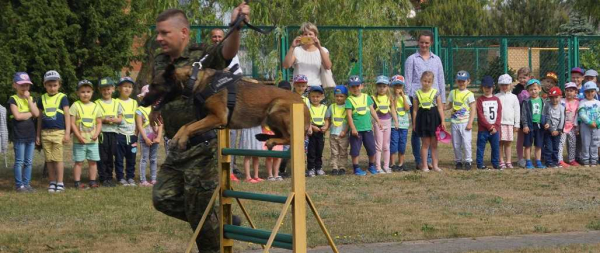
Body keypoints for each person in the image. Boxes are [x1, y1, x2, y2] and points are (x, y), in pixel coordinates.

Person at [151, 5, 249, 251]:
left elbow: (227, 51)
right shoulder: (159, 59)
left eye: (164, 33)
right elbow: (166, 88)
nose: (158, 38)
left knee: (202, 219)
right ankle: (219, 221)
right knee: (162, 198)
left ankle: (213, 231)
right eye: (158, 33)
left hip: (201, 146)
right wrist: (156, 106)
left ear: (183, 32)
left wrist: (235, 26)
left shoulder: (201, 54)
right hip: (176, 146)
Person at [404, 31, 445, 170]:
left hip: (433, 102)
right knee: (418, 132)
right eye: (422, 42)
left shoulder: (437, 59)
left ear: (431, 43)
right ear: (418, 42)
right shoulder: (412, 59)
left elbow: (440, 80)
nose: (424, 45)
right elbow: (408, 81)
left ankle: (430, 161)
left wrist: (442, 100)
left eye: (427, 42)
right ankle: (420, 160)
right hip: (417, 101)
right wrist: (407, 100)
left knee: (432, 132)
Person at [210, 28, 243, 182]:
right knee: (213, 138)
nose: (217, 39)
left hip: (229, 100)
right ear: (211, 39)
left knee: (231, 135)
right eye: (214, 37)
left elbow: (237, 74)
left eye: (219, 36)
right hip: (212, 102)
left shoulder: (231, 53)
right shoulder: (208, 55)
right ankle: (214, 170)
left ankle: (231, 168)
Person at [37, 70, 70, 193]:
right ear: (45, 85)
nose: (52, 88)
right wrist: (38, 135)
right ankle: (52, 182)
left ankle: (60, 182)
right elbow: (40, 118)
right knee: (49, 159)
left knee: (58, 159)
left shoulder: (63, 98)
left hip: (58, 133)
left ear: (59, 85)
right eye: (49, 85)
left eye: (55, 85)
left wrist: (67, 132)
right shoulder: (42, 99)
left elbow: (67, 115)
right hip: (45, 133)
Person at [9, 72, 40, 192]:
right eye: (22, 85)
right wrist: (30, 114)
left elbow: (36, 114)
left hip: (30, 135)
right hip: (19, 135)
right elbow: (17, 116)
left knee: (28, 161)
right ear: (15, 85)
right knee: (19, 161)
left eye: (27, 85)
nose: (25, 88)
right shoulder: (13, 99)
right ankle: (19, 185)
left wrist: (28, 100)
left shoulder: (31, 99)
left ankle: (27, 184)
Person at [70, 80, 103, 189]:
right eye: (83, 92)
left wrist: (96, 134)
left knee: (92, 162)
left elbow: (99, 123)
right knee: (78, 162)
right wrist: (79, 137)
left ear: (92, 92)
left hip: (92, 141)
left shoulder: (96, 106)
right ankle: (77, 182)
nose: (85, 94)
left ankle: (92, 181)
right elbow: (72, 123)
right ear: (78, 93)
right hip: (79, 141)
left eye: (88, 91)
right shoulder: (75, 105)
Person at [346, 75, 381, 176]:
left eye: (357, 86)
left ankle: (371, 166)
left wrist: (378, 121)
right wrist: (353, 128)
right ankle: (356, 168)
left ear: (361, 86)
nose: (355, 88)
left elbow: (372, 110)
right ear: (349, 88)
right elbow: (349, 115)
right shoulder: (349, 100)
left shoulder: (367, 97)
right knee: (355, 150)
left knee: (371, 149)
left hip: (368, 129)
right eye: (353, 87)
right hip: (356, 131)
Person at [412, 71, 445, 172]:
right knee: (425, 144)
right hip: (423, 120)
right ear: (421, 80)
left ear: (432, 82)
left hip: (434, 119)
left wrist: (443, 120)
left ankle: (435, 165)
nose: (426, 83)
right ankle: (425, 165)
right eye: (425, 81)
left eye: (429, 81)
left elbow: (440, 108)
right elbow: (415, 110)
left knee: (434, 144)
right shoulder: (416, 93)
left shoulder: (436, 92)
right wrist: (414, 123)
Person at [282, 22, 332, 87]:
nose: (308, 36)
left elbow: (328, 66)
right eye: (305, 34)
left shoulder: (323, 50)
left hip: (316, 87)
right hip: (299, 87)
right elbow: (286, 65)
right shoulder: (297, 50)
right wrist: (292, 47)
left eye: (310, 34)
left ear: (315, 36)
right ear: (302, 36)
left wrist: (319, 47)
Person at [445, 71, 475, 170]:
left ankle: (468, 161)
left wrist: (470, 122)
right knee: (456, 143)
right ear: (456, 81)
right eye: (459, 81)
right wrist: (441, 107)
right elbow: (449, 105)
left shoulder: (469, 94)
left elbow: (473, 109)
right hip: (455, 122)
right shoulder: (453, 92)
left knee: (466, 143)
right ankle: (458, 161)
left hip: (465, 122)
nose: (461, 83)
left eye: (463, 81)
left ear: (468, 81)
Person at [96, 77, 121, 187]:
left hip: (113, 133)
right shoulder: (97, 103)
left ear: (113, 89)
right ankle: (103, 177)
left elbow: (120, 118)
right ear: (100, 90)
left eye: (108, 89)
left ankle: (110, 177)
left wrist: (114, 120)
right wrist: (104, 120)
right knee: (103, 156)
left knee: (111, 155)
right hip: (102, 133)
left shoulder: (116, 103)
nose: (106, 92)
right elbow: (95, 119)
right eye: (103, 89)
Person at [136, 85, 163, 187]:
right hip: (145, 138)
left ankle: (153, 178)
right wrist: (146, 138)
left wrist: (159, 137)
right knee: (144, 158)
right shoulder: (139, 110)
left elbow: (160, 124)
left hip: (155, 137)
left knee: (153, 158)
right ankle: (143, 180)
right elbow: (139, 125)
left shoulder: (156, 109)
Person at [372, 75, 398, 174]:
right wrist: (375, 122)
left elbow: (392, 110)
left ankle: (386, 166)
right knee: (378, 146)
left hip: (388, 122)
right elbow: (372, 111)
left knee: (386, 146)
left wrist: (396, 121)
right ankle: (378, 167)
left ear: (387, 87)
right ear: (376, 87)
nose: (382, 88)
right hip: (379, 124)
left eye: (384, 86)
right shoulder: (373, 98)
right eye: (379, 86)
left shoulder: (389, 98)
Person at [115, 77, 138, 186]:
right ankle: (120, 177)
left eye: (130, 87)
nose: (127, 89)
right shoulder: (115, 102)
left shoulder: (134, 102)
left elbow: (137, 119)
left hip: (132, 135)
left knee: (131, 158)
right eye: (124, 86)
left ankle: (130, 177)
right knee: (119, 158)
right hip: (120, 135)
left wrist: (136, 133)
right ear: (119, 88)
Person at [476, 76, 502, 170]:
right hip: (483, 129)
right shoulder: (480, 100)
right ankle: (480, 164)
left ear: (493, 87)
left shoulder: (497, 100)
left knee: (495, 147)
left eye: (489, 87)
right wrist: (489, 126)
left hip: (495, 130)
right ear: (482, 87)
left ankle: (495, 163)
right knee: (480, 147)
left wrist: (495, 126)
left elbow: (499, 114)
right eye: (485, 87)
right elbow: (480, 115)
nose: (487, 89)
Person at [495, 74, 520, 169]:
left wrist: (516, 124)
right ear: (499, 85)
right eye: (502, 85)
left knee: (508, 143)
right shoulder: (496, 96)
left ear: (510, 85)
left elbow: (517, 111)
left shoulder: (514, 97)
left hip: (509, 124)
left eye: (506, 84)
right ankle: (501, 160)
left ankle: (508, 161)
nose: (504, 87)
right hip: (499, 124)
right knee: (500, 142)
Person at [521, 79, 546, 169]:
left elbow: (546, 113)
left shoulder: (543, 101)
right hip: (530, 126)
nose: (533, 91)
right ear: (528, 91)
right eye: (531, 89)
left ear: (539, 89)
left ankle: (538, 161)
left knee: (538, 144)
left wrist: (546, 122)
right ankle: (528, 161)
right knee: (528, 144)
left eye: (535, 89)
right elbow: (523, 114)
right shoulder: (526, 102)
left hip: (539, 125)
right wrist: (525, 125)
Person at [326, 85, 349, 175]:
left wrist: (345, 131)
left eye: (341, 96)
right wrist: (326, 127)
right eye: (337, 96)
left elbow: (348, 121)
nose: (339, 98)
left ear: (345, 97)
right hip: (333, 134)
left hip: (343, 134)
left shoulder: (347, 106)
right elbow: (327, 119)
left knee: (343, 151)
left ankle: (342, 167)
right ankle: (334, 167)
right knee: (334, 152)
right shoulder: (331, 107)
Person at [390, 75, 411, 172]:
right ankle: (392, 163)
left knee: (402, 144)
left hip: (404, 125)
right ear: (393, 87)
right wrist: (395, 98)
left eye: (400, 86)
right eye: (396, 86)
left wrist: (402, 96)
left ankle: (401, 163)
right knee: (394, 144)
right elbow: (392, 107)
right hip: (394, 125)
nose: (398, 88)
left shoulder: (405, 97)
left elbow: (407, 108)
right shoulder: (391, 97)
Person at [307, 86, 328, 177]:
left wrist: (326, 126)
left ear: (322, 97)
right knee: (311, 151)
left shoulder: (324, 107)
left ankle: (318, 168)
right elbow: (306, 120)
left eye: (317, 96)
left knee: (319, 151)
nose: (315, 98)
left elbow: (327, 119)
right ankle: (311, 168)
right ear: (309, 96)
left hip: (321, 132)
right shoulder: (308, 107)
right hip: (311, 131)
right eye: (313, 96)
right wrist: (311, 126)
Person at [557, 82, 580, 167]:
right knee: (561, 143)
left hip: (572, 127)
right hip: (562, 127)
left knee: (572, 143)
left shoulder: (577, 103)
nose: (569, 92)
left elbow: (577, 116)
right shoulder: (561, 101)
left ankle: (572, 159)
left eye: (571, 91)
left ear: (575, 92)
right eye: (567, 91)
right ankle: (559, 160)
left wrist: (577, 127)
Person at [578, 81, 600, 167]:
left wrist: (597, 122)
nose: (590, 93)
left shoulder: (598, 103)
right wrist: (589, 122)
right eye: (587, 91)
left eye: (592, 91)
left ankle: (594, 159)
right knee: (586, 143)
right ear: (584, 92)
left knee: (595, 143)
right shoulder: (582, 102)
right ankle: (586, 159)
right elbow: (582, 114)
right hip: (585, 126)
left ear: (595, 91)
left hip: (597, 126)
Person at [542, 87, 565, 168]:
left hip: (557, 132)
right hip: (548, 131)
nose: (554, 99)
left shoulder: (562, 107)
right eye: (552, 97)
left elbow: (562, 120)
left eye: (556, 97)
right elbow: (546, 117)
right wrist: (550, 129)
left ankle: (555, 161)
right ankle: (548, 162)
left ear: (560, 97)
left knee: (556, 148)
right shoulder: (547, 105)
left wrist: (559, 130)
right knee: (549, 147)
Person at [513, 67, 532, 168]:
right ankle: (520, 158)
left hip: (531, 117)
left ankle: (528, 158)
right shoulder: (517, 89)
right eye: (520, 77)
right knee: (520, 139)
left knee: (530, 139)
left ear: (529, 77)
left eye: (524, 77)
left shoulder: (533, 87)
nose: (522, 80)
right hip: (520, 117)